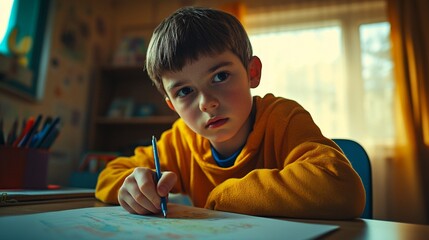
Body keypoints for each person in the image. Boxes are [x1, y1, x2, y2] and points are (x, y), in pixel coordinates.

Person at [95, 6, 365, 219]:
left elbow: (343, 188)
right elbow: (109, 175)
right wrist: (133, 188)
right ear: (172, 106)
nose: (207, 103)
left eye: (220, 76)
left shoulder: (283, 119)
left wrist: (223, 197)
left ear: (252, 73)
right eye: (185, 92)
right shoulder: (180, 141)